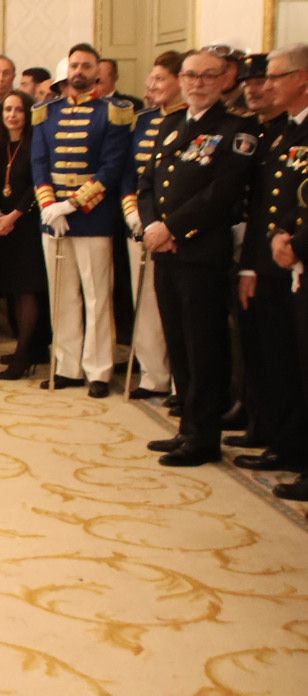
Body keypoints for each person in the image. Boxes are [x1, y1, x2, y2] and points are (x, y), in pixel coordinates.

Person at [138, 48, 257, 466]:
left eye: (207, 76)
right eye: (190, 75)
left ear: (224, 79)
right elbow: (149, 182)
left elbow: (222, 193)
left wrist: (173, 229)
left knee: (204, 345)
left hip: (200, 250)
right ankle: (187, 426)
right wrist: (153, 226)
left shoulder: (236, 129)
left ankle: (205, 436)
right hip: (165, 250)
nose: (197, 83)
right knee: (179, 342)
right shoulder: (171, 124)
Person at [30, 43, 134, 397]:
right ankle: (68, 365)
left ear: (96, 72)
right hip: (53, 217)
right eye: (74, 65)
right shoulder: (46, 112)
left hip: (93, 216)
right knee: (62, 297)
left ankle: (99, 369)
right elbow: (39, 162)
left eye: (86, 66)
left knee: (97, 296)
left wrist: (71, 204)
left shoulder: (113, 113)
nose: (79, 72)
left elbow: (111, 168)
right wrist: (49, 205)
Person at [232, 54, 297, 469]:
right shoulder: (272, 132)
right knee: (262, 347)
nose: (261, 87)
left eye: (271, 79)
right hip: (264, 255)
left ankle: (286, 439)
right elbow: (260, 206)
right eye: (256, 81)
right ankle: (265, 423)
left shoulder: (289, 132)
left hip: (289, 258)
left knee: (285, 355)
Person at [253, 46, 308, 500]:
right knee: (285, 358)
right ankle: (288, 444)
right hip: (281, 257)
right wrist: (280, 236)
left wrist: (295, 241)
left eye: (277, 76)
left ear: (303, 78)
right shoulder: (285, 130)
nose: (267, 85)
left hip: (298, 256)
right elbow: (280, 198)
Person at [118, 51, 186, 400]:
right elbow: (131, 173)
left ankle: (180, 382)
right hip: (141, 224)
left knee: (174, 308)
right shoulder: (142, 121)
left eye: (160, 79)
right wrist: (134, 215)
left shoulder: (191, 120)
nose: (151, 85)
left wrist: (164, 224)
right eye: (151, 78)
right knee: (143, 301)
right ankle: (152, 374)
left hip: (176, 231)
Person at [0, 91, 49, 380]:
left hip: (26, 224)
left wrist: (14, 216)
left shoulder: (36, 143)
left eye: (19, 110)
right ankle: (24, 347)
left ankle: (24, 356)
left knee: (27, 290)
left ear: (28, 114)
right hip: (2, 224)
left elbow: (38, 184)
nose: (12, 115)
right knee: (12, 288)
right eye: (8, 110)